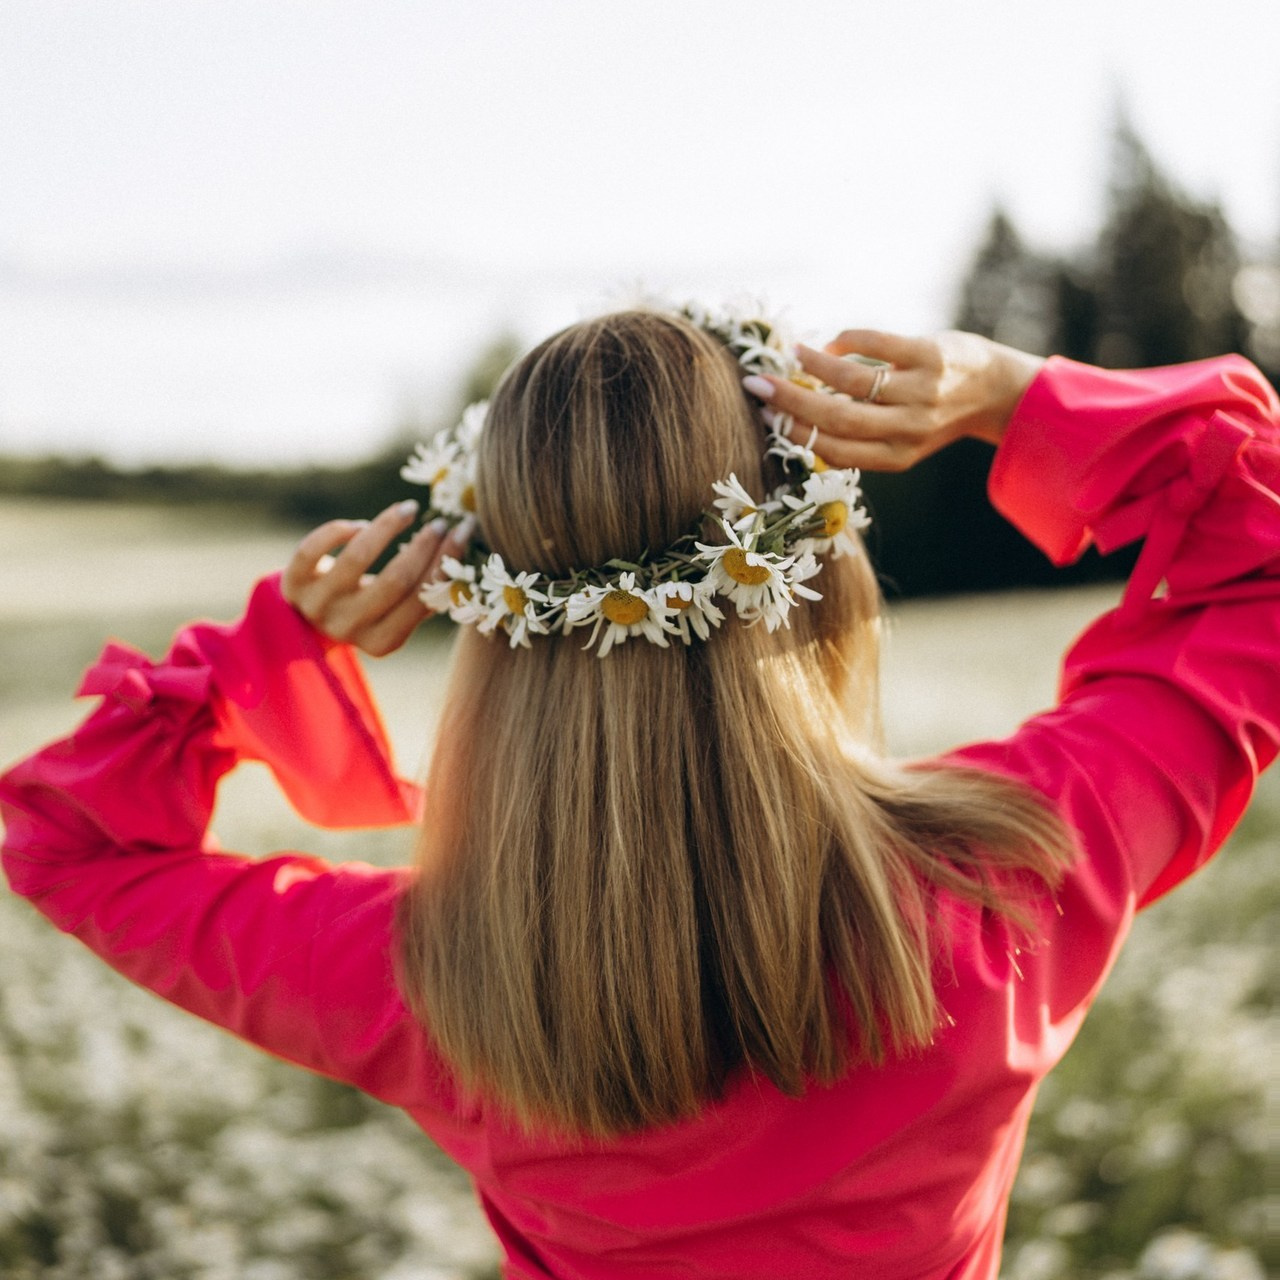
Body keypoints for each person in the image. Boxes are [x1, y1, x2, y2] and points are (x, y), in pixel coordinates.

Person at [2, 307, 1277, 1280]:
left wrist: (265, 651)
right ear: (820, 573)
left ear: (503, 625)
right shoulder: (1009, 873)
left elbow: (61, 837)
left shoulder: (424, 974)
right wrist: (1011, 394)